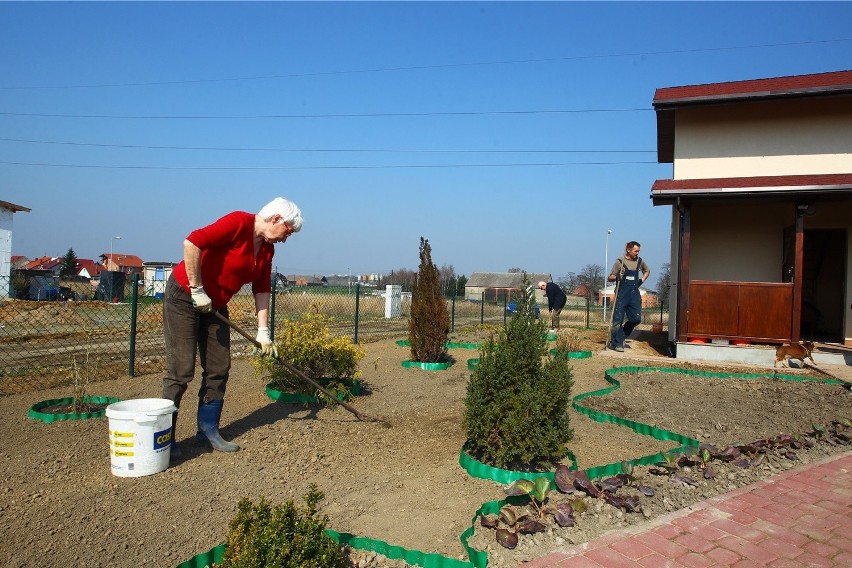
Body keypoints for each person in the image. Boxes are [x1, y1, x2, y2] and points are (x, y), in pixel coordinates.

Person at [162, 197, 303, 460]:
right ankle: (163, 438)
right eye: (288, 232)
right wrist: (197, 288)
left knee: (219, 367)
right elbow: (192, 242)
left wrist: (263, 332)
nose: (286, 239)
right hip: (184, 295)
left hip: (215, 305)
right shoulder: (238, 223)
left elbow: (261, 288)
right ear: (276, 220)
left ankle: (207, 430)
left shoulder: (268, 251)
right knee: (181, 371)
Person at [608, 241, 650, 352]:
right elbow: (610, 277)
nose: (637, 253)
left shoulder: (639, 262)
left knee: (636, 319)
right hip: (621, 294)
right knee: (617, 321)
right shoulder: (620, 262)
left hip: (634, 295)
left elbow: (647, 270)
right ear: (628, 250)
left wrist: (641, 281)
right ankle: (617, 344)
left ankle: (621, 336)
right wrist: (617, 276)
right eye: (636, 251)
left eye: (638, 251)